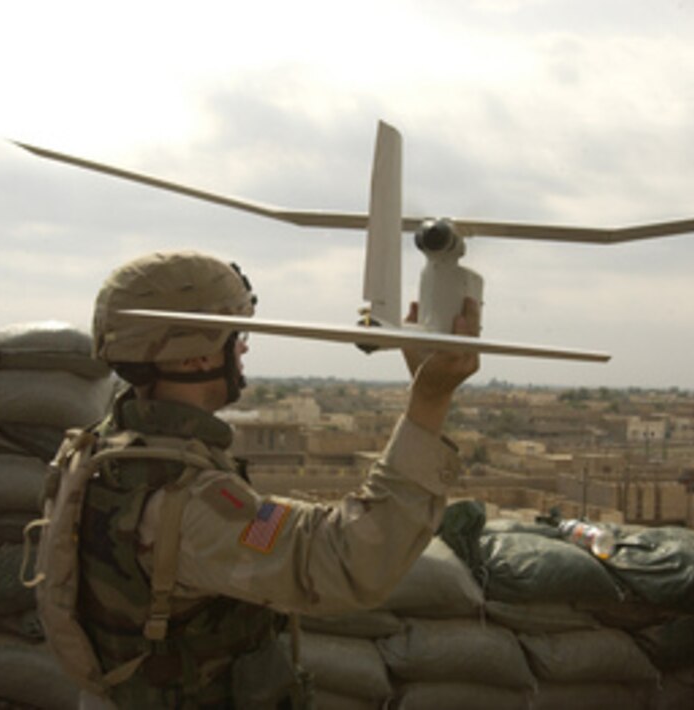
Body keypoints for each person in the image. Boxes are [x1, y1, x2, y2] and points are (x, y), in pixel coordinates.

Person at [53, 250, 479, 708]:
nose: (244, 348)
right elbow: (348, 562)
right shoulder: (187, 502)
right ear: (198, 357)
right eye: (235, 336)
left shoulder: (106, 445)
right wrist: (430, 398)